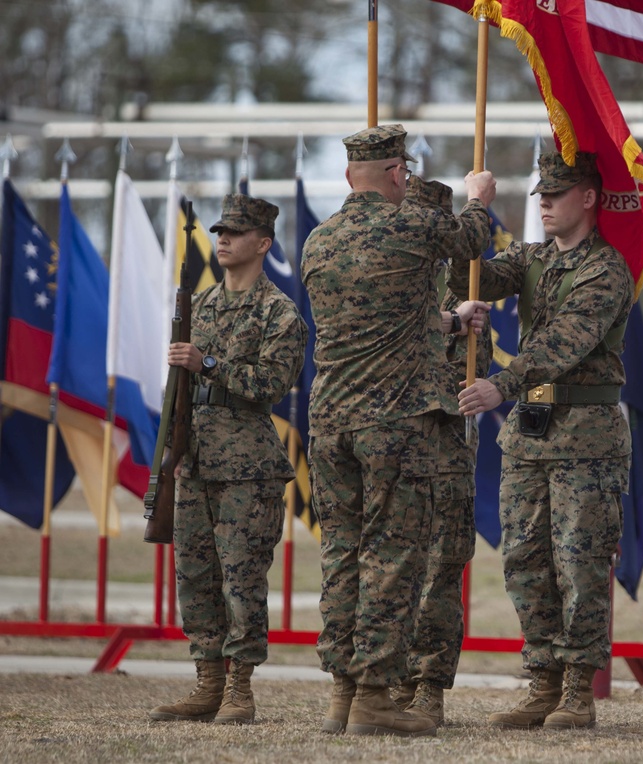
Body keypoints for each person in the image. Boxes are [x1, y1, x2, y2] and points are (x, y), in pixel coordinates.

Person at [301, 124, 496, 738]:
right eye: (404, 173)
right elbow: (470, 241)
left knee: (341, 554)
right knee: (391, 558)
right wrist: (479, 196)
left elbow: (383, 318)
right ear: (397, 176)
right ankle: (376, 698)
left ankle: (340, 694)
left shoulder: (318, 240)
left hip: (330, 421)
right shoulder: (411, 226)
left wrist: (445, 320)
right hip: (393, 423)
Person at [453, 151, 633, 731]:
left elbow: (562, 344)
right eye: (540, 195)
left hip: (587, 440)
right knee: (524, 560)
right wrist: (472, 212)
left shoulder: (605, 271)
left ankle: (578, 688)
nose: (546, 203)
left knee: (578, 564)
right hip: (531, 439)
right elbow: (466, 273)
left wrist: (499, 385)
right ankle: (544, 680)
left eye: (558, 193)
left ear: (589, 197)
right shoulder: (531, 259)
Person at [149, 193, 307, 725]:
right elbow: (179, 391)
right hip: (195, 462)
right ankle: (207, 683)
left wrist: (208, 362)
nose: (223, 240)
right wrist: (171, 452)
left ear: (262, 243)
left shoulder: (278, 312)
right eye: (220, 231)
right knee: (195, 574)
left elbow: (271, 385)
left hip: (248, 468)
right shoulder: (201, 305)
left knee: (242, 579)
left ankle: (240, 688)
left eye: (235, 233)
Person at [389, 174, 495, 728]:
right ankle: (387, 680)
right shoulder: (390, 285)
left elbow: (462, 380)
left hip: (441, 451)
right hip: (389, 450)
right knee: (389, 571)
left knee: (437, 573)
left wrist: (449, 325)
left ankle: (427, 685)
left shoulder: (461, 295)